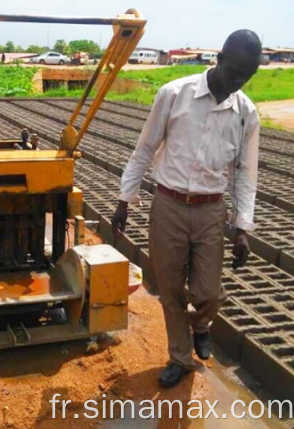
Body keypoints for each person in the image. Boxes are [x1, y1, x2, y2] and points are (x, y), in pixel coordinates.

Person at [112, 30, 262, 388]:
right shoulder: (174, 95)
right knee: (170, 288)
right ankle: (180, 356)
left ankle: (201, 324)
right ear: (219, 59)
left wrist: (242, 227)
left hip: (211, 210)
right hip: (169, 205)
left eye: (249, 74)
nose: (239, 80)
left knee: (208, 293)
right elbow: (145, 149)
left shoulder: (246, 113)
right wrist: (123, 201)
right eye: (235, 70)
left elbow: (245, 173)